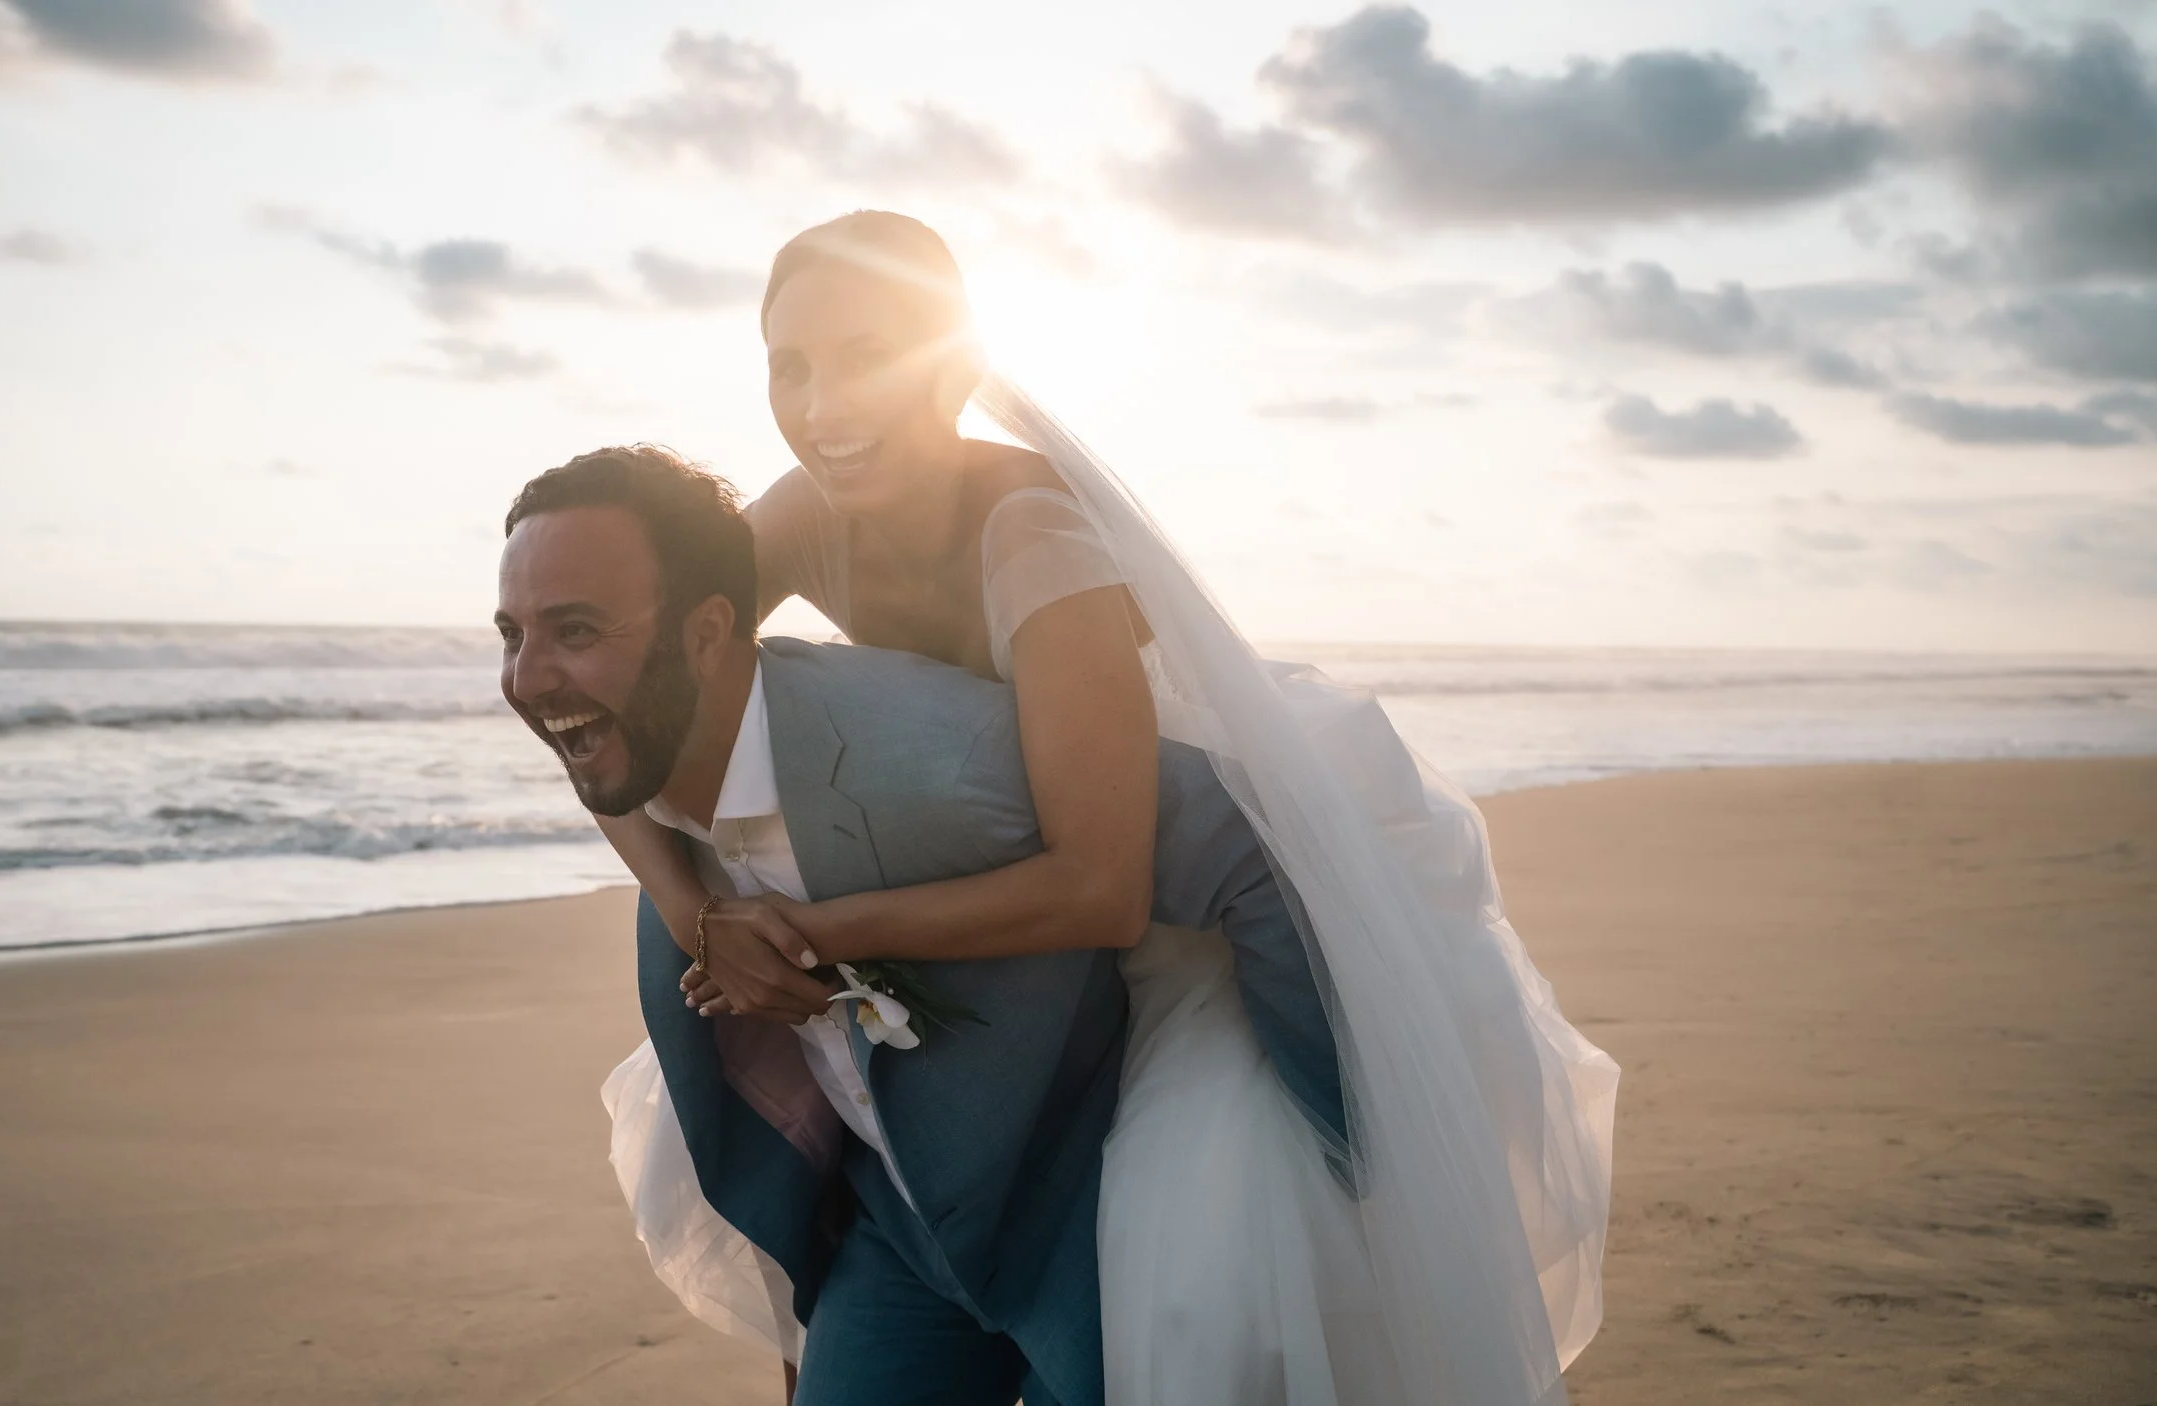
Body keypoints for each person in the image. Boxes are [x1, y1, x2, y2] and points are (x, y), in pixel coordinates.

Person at [595, 212, 1618, 1405]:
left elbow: (1106, 883)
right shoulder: (799, 508)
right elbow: (622, 700)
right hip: (997, 838)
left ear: (954, 364)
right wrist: (697, 913)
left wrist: (814, 931)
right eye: (791, 366)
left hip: (1194, 886)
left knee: (1231, 1262)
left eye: (867, 355)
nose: (823, 406)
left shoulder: (1034, 532)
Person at [495, 446, 1350, 1405]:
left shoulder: (941, 759)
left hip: (1091, 1220)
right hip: (900, 1236)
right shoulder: (638, 772)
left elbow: (1251, 841)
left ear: (705, 634)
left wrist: (1344, 1161)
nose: (527, 679)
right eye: (512, 635)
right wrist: (697, 920)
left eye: (575, 630)